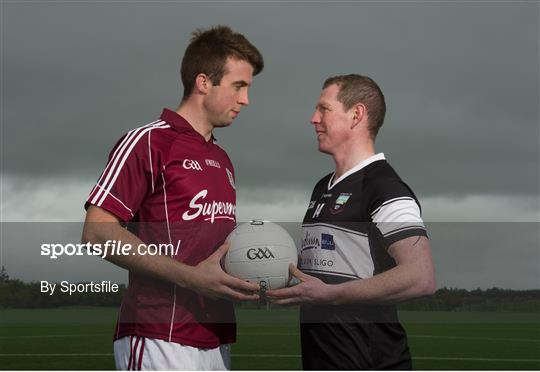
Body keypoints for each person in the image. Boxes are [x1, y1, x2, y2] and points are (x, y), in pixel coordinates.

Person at [82, 25, 264, 370]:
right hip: (159, 334)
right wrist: (191, 276)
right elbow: (97, 232)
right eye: (238, 86)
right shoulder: (147, 142)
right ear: (203, 82)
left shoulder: (222, 159)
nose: (246, 100)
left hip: (215, 337)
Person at [267, 74, 435, 370]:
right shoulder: (323, 187)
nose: (313, 118)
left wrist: (330, 295)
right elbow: (325, 272)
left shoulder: (384, 187)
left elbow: (421, 277)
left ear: (356, 115)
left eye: (324, 109)